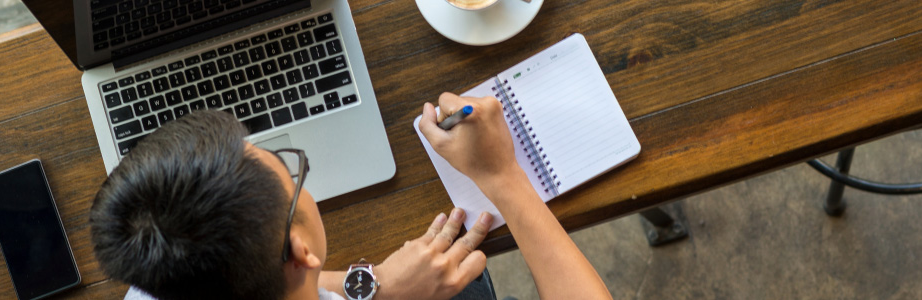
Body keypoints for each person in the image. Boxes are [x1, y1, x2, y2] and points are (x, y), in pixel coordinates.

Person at [90, 93, 611, 300]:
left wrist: (373, 287)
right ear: (300, 251)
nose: (300, 180)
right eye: (296, 177)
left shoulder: (155, 281)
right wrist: (501, 175)